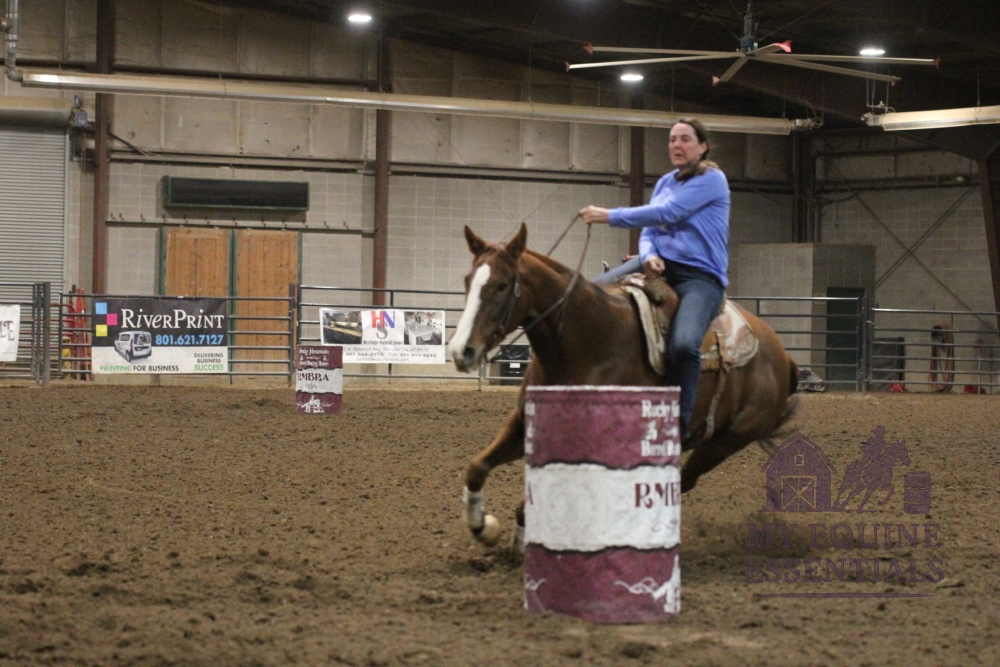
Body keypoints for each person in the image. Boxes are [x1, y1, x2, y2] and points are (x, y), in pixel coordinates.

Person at [579, 118, 730, 444]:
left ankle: (676, 426)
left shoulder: (712, 180)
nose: (677, 145)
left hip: (700, 276)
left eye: (685, 139)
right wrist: (647, 255)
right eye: (673, 139)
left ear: (703, 146)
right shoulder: (665, 182)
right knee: (589, 295)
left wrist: (609, 216)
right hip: (659, 266)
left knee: (684, 344)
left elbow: (668, 213)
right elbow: (650, 231)